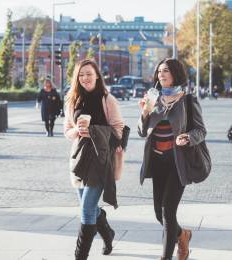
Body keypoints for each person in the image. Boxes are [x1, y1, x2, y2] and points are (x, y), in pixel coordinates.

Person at [138, 58, 207, 260]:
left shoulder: (187, 100)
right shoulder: (153, 98)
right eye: (159, 71)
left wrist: (188, 137)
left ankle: (165, 257)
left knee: (168, 211)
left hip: (178, 163)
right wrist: (144, 113)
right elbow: (142, 132)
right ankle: (183, 235)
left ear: (175, 73)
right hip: (157, 162)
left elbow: (201, 130)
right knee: (159, 214)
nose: (161, 74)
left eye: (165, 70)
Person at [64, 59, 124, 260]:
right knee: (88, 207)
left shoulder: (107, 99)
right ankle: (108, 234)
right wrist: (77, 131)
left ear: (97, 75)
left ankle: (80, 256)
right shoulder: (73, 100)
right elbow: (67, 131)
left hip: (101, 159)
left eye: (89, 73)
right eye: (81, 75)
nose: (85, 78)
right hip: (80, 158)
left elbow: (118, 131)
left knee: (86, 209)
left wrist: (94, 132)